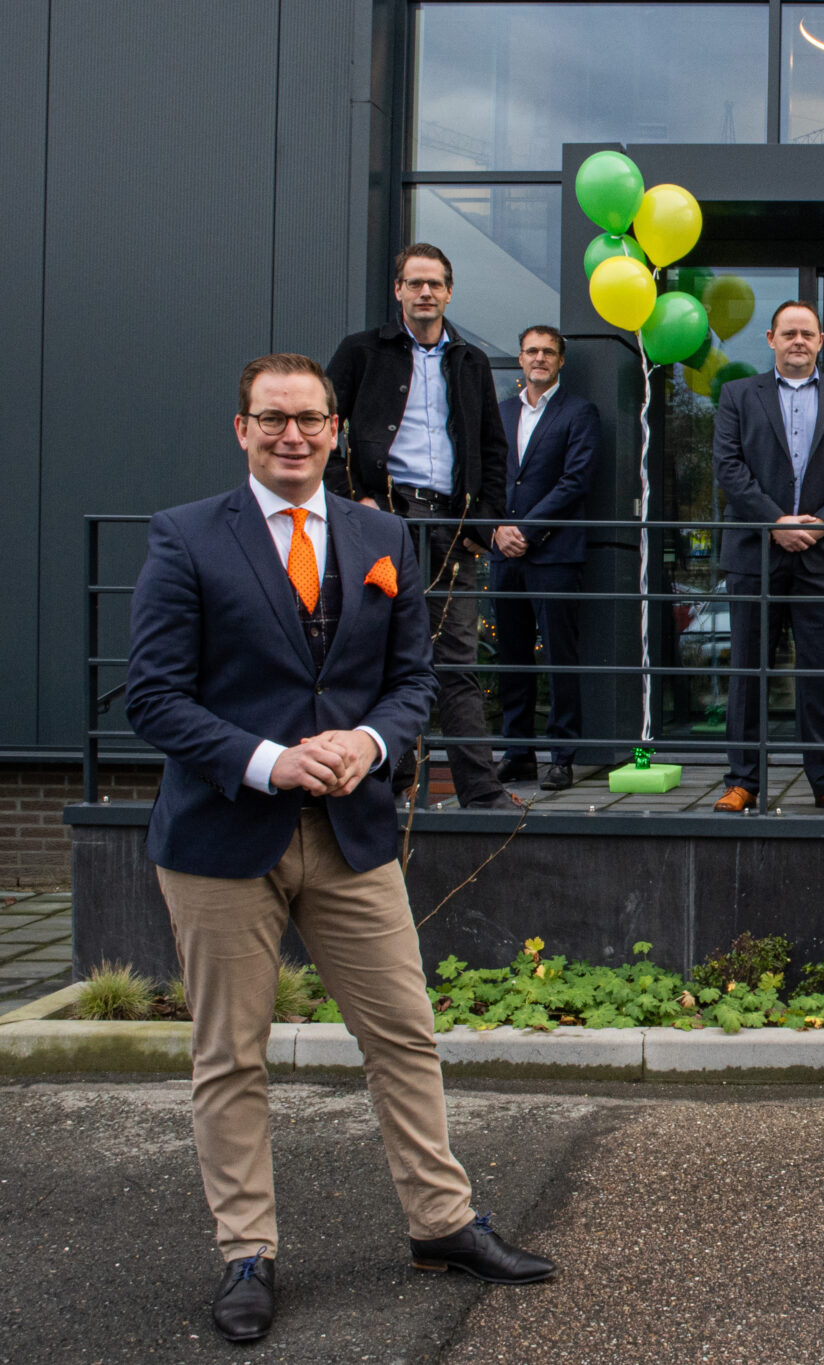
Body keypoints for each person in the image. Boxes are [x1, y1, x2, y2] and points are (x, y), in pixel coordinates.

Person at [125, 353, 555, 1345]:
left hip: (351, 833)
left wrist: (366, 744)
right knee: (230, 1056)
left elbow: (410, 683)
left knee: (403, 1032)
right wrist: (270, 762)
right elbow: (152, 695)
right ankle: (246, 1252)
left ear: (334, 431)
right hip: (224, 836)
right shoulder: (186, 537)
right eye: (272, 419)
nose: (292, 436)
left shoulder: (382, 535)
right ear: (241, 428)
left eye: (310, 420)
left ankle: (442, 1223)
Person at [325, 243, 515, 810]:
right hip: (382, 521)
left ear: (449, 292)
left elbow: (492, 450)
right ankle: (388, 785)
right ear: (399, 291)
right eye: (415, 283)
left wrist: (483, 523)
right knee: (379, 649)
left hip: (451, 529)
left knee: (456, 656)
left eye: (435, 284)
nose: (426, 292)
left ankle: (480, 792)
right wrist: (354, 500)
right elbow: (324, 427)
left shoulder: (470, 361)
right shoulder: (361, 352)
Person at [711, 299, 824, 814]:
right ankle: (743, 780)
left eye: (807, 333)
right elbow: (728, 465)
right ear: (770, 340)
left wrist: (820, 524)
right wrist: (775, 522)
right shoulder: (738, 394)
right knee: (748, 671)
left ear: (821, 341)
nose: (798, 341)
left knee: (822, 673)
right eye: (789, 333)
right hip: (754, 554)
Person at [490, 325, 597, 792]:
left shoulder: (579, 412)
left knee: (559, 657)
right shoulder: (500, 413)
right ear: (520, 358)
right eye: (532, 351)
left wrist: (526, 531)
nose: (539, 358)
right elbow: (489, 478)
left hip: (553, 553)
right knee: (511, 656)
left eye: (548, 352)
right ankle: (516, 753)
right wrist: (495, 528)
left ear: (560, 361)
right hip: (502, 552)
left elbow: (575, 482)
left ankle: (562, 756)